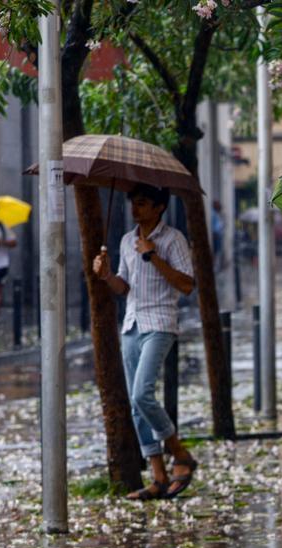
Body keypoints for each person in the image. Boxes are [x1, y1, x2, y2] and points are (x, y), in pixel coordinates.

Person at [92, 183, 199, 501]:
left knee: (142, 393)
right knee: (137, 407)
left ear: (159, 207)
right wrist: (106, 275)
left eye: (141, 203)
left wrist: (153, 256)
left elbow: (187, 285)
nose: (134, 209)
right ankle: (158, 477)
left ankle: (181, 454)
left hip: (160, 324)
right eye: (132, 203)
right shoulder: (127, 241)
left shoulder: (173, 239)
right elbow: (123, 287)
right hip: (132, 324)